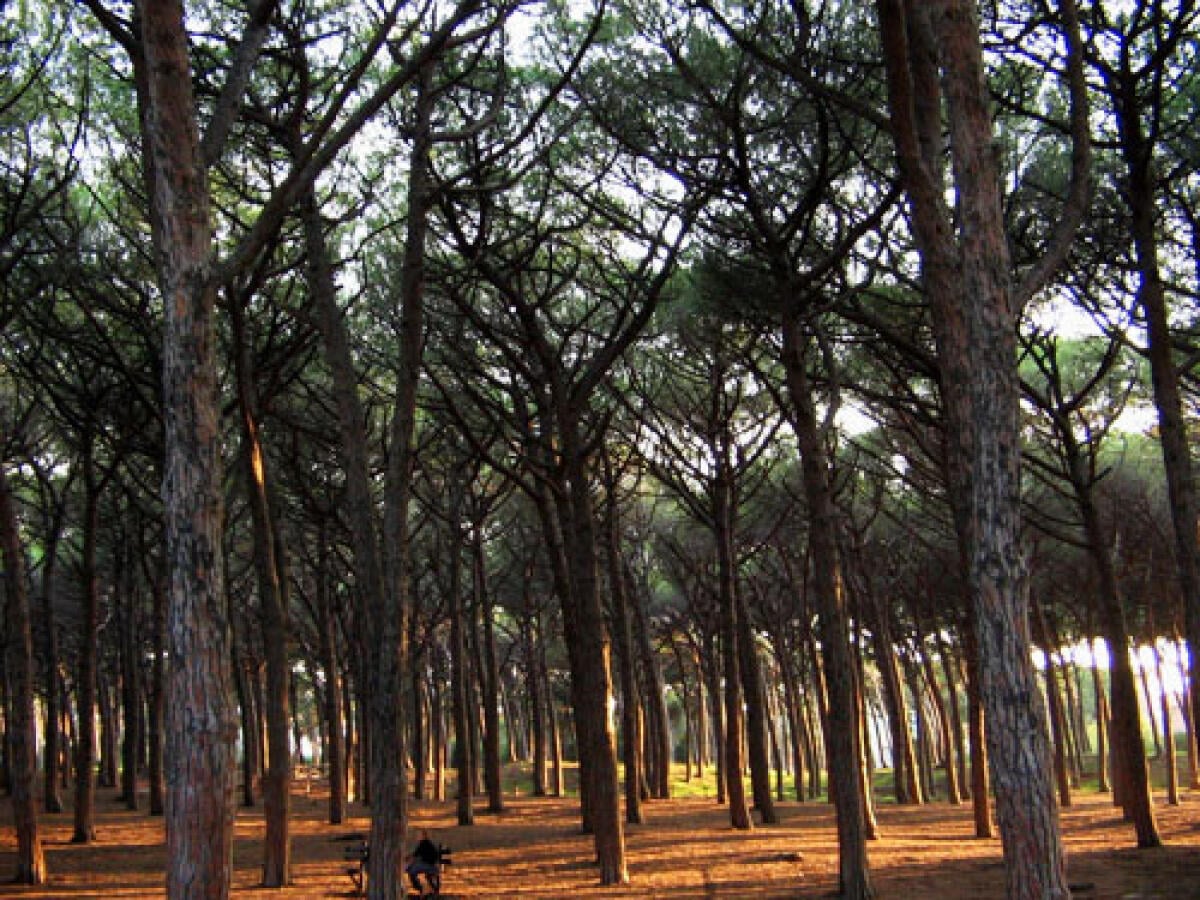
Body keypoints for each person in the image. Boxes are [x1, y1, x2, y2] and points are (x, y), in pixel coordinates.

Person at [404, 828, 440, 897]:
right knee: (412, 868)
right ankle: (424, 889)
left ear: (423, 836)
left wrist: (406, 859)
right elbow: (416, 855)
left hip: (430, 866)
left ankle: (421, 888)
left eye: (418, 835)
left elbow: (414, 856)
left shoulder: (424, 843)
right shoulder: (426, 843)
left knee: (411, 871)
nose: (417, 836)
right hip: (431, 866)